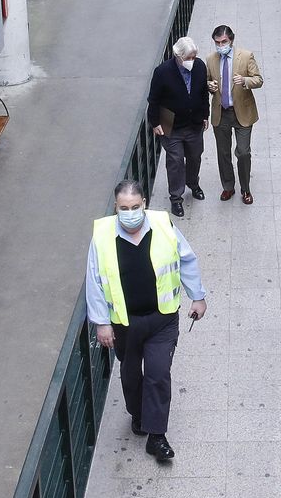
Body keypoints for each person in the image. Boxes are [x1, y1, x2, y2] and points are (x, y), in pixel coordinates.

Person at [85, 180, 207, 463]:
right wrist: (102, 323)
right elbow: (94, 282)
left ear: (144, 204)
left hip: (162, 319)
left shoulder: (163, 225)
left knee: (158, 373)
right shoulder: (102, 237)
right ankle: (138, 415)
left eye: (135, 207)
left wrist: (197, 297)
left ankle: (157, 436)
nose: (130, 213)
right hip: (124, 324)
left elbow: (186, 260)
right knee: (130, 375)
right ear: (116, 207)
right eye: (124, 208)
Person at [147, 37, 210, 217]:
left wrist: (205, 115)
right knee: (175, 161)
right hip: (171, 125)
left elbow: (203, 93)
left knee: (195, 156)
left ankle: (193, 184)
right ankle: (176, 197)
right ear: (178, 55)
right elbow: (153, 100)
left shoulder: (199, 67)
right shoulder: (162, 72)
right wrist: (155, 123)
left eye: (194, 56)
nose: (192, 60)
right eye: (189, 57)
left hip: (194, 124)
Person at [208, 25, 263, 204]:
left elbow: (258, 80)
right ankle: (228, 187)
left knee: (243, 152)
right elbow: (208, 81)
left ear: (231, 40)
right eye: (217, 42)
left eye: (224, 41)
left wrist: (245, 80)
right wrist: (210, 86)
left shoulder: (246, 56)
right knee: (223, 153)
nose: (221, 45)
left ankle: (245, 189)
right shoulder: (210, 59)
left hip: (242, 112)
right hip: (221, 112)